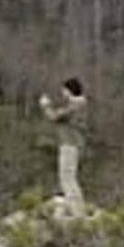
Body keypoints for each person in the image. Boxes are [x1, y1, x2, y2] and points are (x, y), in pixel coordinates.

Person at [39, 75, 88, 207]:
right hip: (73, 144)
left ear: (70, 90)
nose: (63, 93)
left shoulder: (75, 106)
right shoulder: (78, 105)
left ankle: (74, 205)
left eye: (64, 90)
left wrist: (46, 105)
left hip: (70, 144)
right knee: (68, 175)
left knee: (67, 175)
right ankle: (75, 203)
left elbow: (54, 117)